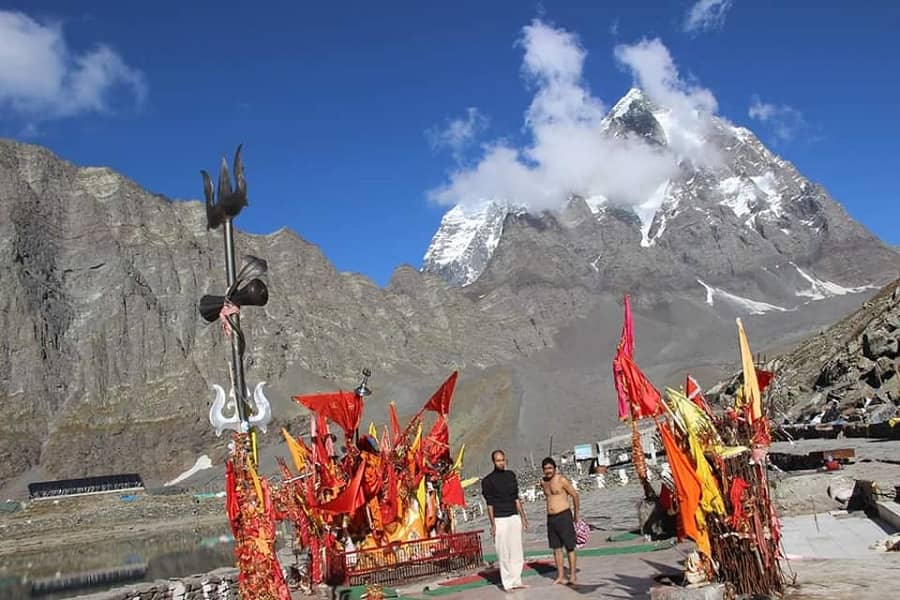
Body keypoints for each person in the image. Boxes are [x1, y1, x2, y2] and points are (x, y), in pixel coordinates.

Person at [481, 449, 529, 591]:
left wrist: (523, 517)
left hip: (513, 516)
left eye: (502, 460)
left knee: (516, 550)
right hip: (499, 518)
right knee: (503, 551)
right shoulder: (488, 481)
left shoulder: (511, 476)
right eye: (498, 460)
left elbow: (516, 499)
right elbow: (489, 504)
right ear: (493, 462)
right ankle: (507, 582)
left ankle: (517, 580)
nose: (501, 463)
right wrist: (493, 524)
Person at [540, 456, 580, 585]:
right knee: (556, 548)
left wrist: (576, 514)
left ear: (555, 468)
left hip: (564, 515)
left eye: (550, 468)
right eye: (546, 469)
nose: (548, 471)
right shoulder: (543, 482)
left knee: (569, 547)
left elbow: (575, 495)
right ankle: (560, 576)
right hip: (551, 518)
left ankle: (572, 575)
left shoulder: (561, 480)